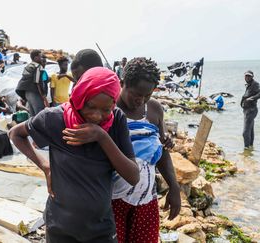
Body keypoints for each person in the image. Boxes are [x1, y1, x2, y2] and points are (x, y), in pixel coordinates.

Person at [9, 67, 139, 243]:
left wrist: (102, 136)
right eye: (90, 106)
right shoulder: (54, 119)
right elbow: (16, 134)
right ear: (79, 97)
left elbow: (133, 176)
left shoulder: (116, 120)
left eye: (106, 109)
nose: (96, 116)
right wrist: (46, 166)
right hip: (60, 227)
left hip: (100, 229)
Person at [112, 57, 181, 243]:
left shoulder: (154, 109)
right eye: (136, 94)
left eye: (147, 95)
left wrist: (174, 188)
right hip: (112, 200)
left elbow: (161, 152)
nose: (140, 100)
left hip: (146, 200)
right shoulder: (107, 110)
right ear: (122, 83)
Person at [15, 50, 48, 116]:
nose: (41, 59)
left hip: (27, 93)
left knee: (32, 115)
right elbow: (38, 82)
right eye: (40, 57)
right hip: (35, 93)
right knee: (39, 115)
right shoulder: (38, 66)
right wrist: (44, 98)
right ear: (36, 58)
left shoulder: (28, 66)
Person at [241, 70, 260, 149]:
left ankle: (246, 150)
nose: (247, 77)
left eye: (249, 76)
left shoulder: (255, 84)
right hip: (247, 110)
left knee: (245, 133)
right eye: (246, 76)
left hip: (251, 110)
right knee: (250, 131)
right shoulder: (249, 84)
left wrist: (251, 98)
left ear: (252, 77)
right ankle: (251, 147)